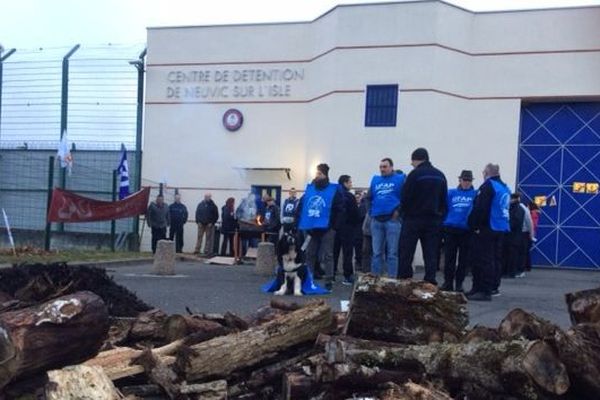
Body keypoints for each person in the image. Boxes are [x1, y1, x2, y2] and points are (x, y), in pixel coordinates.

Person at [397, 148, 448, 285]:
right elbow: (444, 200)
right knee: (431, 253)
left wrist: (404, 213)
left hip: (413, 219)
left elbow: (405, 197)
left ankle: (404, 279)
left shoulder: (414, 175)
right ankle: (430, 280)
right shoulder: (440, 175)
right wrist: (440, 217)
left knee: (406, 251)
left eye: (412, 162)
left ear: (416, 159)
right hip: (434, 220)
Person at [466, 163, 510, 301]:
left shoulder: (488, 186)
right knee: (494, 259)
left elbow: (481, 207)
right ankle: (490, 287)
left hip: (487, 226)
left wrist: (474, 224)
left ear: (487, 173)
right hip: (500, 227)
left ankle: (482, 290)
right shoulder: (504, 187)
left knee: (482, 259)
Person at [297, 163, 344, 291]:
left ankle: (329, 280)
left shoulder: (334, 190)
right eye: (316, 174)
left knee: (328, 255)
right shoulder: (310, 190)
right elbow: (303, 206)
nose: (316, 176)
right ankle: (309, 279)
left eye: (319, 174)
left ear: (324, 175)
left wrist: (334, 227)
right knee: (310, 254)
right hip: (311, 228)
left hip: (327, 228)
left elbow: (340, 209)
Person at [369, 158, 405, 278]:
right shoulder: (375, 180)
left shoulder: (400, 179)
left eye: (385, 167)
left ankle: (391, 280)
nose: (382, 169)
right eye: (381, 167)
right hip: (376, 220)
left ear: (391, 167)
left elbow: (406, 197)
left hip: (392, 221)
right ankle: (375, 279)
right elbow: (368, 197)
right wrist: (371, 212)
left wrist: (398, 212)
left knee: (392, 253)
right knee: (376, 253)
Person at [440, 170, 476, 292]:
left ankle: (459, 283)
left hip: (466, 230)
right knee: (449, 257)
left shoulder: (475, 194)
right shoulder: (451, 193)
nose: (466, 182)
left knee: (463, 259)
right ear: (460, 180)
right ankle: (448, 282)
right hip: (451, 228)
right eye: (464, 180)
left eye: (468, 180)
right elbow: (443, 207)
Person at [333, 175, 360, 285]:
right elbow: (355, 214)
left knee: (334, 252)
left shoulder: (334, 195)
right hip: (348, 227)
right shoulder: (349, 196)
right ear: (345, 183)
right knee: (347, 253)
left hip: (335, 228)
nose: (351, 184)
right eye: (350, 182)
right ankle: (347, 276)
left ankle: (332, 275)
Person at [503, 193, 526, 279]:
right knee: (510, 254)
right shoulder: (517, 209)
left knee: (511, 255)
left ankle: (510, 272)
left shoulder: (516, 209)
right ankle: (508, 271)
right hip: (514, 236)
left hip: (512, 236)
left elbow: (514, 222)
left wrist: (506, 227)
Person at [524, 202, 540, 271]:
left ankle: (527, 266)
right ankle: (528, 266)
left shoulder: (531, 213)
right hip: (533, 232)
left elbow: (530, 223)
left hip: (529, 232)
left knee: (525, 250)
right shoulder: (536, 213)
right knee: (527, 250)